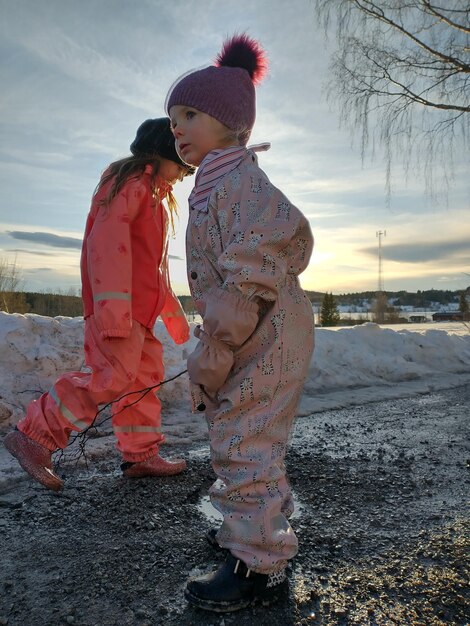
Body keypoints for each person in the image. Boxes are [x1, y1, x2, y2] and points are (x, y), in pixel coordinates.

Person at [166, 34, 315, 612]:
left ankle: (258, 565)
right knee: (240, 431)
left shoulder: (237, 181)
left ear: (229, 122)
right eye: (173, 117)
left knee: (245, 439)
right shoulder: (217, 177)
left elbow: (257, 257)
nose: (177, 127)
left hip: (264, 329)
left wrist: (220, 341)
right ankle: (252, 526)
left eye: (189, 115)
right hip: (252, 327)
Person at [4, 117, 194, 491]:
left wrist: (171, 312)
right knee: (111, 378)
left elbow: (150, 266)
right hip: (118, 312)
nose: (184, 174)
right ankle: (34, 435)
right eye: (182, 165)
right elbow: (108, 250)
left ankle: (141, 454)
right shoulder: (130, 185)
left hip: (138, 313)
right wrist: (112, 311)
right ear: (162, 152)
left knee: (142, 380)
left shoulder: (154, 194)